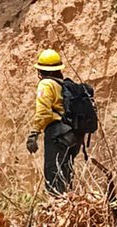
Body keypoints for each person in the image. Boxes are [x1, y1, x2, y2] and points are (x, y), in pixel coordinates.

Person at [25, 49, 80, 195]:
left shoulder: (46, 84)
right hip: (72, 136)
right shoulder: (64, 84)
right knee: (66, 176)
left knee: (54, 177)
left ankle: (58, 209)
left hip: (57, 134)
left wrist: (34, 133)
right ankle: (68, 208)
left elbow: (44, 112)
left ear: (41, 70)